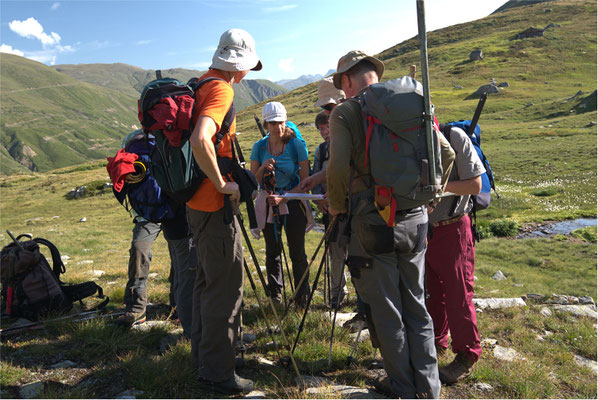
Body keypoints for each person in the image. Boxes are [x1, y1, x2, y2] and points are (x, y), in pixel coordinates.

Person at [326, 50, 440, 398]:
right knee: (417, 304)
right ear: (373, 74)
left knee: (388, 310)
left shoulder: (347, 111)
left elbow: (337, 168)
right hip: (416, 218)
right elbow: (445, 153)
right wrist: (430, 196)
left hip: (374, 221)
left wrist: (335, 208)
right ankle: (430, 388)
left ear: (346, 80)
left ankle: (403, 388)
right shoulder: (411, 99)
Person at [186, 28, 261, 395]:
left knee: (207, 283)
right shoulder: (221, 88)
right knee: (225, 289)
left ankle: (207, 353)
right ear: (240, 64)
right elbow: (201, 138)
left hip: (195, 206)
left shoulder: (201, 83)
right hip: (213, 206)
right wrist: (222, 183)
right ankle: (217, 373)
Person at [111, 130, 196, 339]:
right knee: (169, 255)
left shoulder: (150, 142)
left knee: (161, 254)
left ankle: (176, 307)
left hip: (161, 209)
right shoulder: (149, 142)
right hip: (161, 211)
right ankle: (138, 309)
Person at [425, 123, 485, 384]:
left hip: (454, 227)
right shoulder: (410, 139)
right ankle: (437, 342)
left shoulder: (454, 137)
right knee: (431, 291)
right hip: (427, 230)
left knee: (458, 293)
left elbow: (474, 184)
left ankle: (467, 355)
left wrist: (438, 188)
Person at [250, 101, 312, 306]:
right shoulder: (259, 147)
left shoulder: (296, 144)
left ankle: (302, 297)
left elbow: (305, 183)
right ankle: (275, 296)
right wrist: (263, 169)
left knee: (297, 251)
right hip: (269, 202)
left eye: (281, 122)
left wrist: (284, 197)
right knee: (272, 251)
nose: (278, 127)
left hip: (293, 202)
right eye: (273, 122)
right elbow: (253, 182)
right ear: (266, 123)